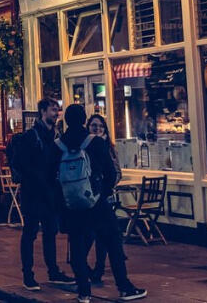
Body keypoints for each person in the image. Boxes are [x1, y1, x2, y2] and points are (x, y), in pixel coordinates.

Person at [54, 105, 146, 302]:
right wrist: (100, 194)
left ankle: (84, 292)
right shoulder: (95, 142)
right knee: (113, 243)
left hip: (71, 206)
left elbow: (52, 179)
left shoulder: (58, 146)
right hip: (97, 204)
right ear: (84, 120)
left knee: (77, 247)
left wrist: (64, 202)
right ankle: (124, 287)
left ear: (66, 120)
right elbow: (111, 174)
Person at [9, 98, 73, 291]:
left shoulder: (56, 136)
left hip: (50, 193)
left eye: (57, 110)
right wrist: (39, 179)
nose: (56, 113)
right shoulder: (31, 136)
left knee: (50, 232)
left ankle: (53, 271)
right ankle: (28, 275)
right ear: (43, 111)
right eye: (53, 110)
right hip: (33, 193)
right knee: (30, 233)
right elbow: (24, 164)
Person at [85, 114, 118, 285]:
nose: (97, 129)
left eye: (100, 126)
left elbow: (116, 172)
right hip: (89, 197)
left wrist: (106, 187)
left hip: (105, 197)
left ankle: (99, 268)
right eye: (94, 125)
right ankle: (85, 268)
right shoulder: (85, 146)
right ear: (88, 127)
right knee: (90, 233)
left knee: (103, 236)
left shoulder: (109, 147)